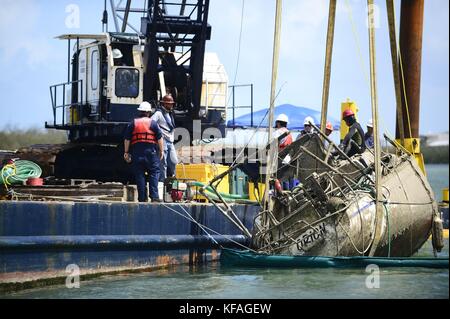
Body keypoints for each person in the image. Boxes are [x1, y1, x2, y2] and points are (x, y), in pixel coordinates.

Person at [124, 101, 164, 202]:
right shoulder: (153, 123)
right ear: (148, 112)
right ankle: (154, 197)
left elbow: (127, 139)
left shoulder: (133, 123)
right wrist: (162, 151)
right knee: (154, 172)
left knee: (139, 174)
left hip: (137, 153)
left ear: (140, 111)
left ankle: (142, 198)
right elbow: (160, 138)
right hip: (151, 152)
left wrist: (126, 152)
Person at [151, 94, 179, 182]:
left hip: (170, 141)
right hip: (162, 140)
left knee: (174, 161)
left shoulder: (170, 114)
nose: (171, 105)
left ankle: (173, 178)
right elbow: (151, 123)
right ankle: (163, 181)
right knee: (163, 163)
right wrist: (158, 132)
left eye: (171, 104)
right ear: (164, 104)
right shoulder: (158, 113)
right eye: (169, 104)